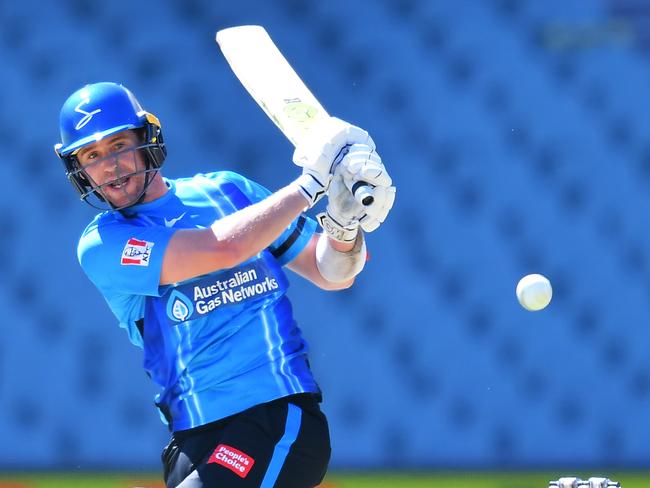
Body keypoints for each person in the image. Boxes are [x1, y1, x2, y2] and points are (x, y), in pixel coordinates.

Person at [55, 81, 395, 488]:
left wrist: (343, 225)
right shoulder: (101, 244)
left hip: (275, 416)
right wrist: (309, 186)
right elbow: (220, 249)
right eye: (92, 155)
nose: (110, 165)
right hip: (190, 440)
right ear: (79, 170)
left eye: (119, 145)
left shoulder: (228, 191)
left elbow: (333, 273)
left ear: (147, 140)